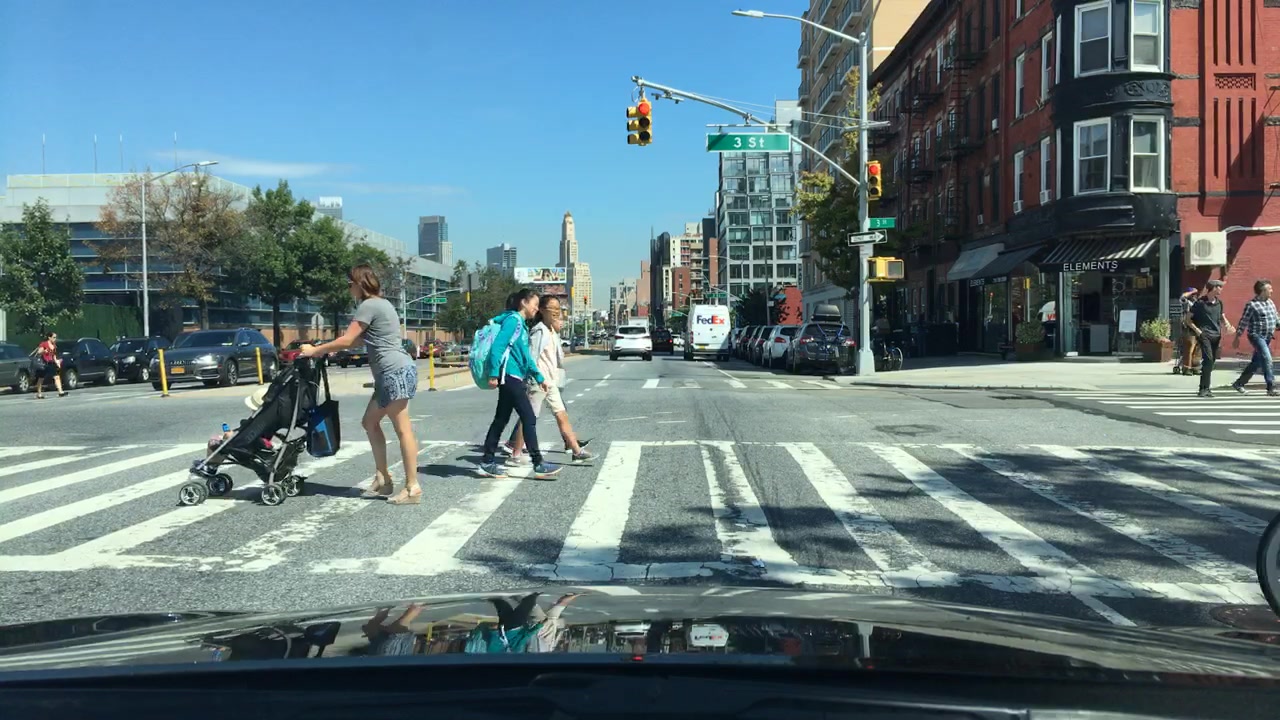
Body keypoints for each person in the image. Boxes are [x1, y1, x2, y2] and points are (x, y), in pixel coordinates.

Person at [299, 264, 421, 505]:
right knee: (369, 422)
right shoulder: (382, 304)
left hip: (393, 372)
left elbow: (347, 340)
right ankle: (383, 478)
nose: (348, 289)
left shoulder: (369, 305)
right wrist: (328, 349)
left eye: (349, 284)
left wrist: (315, 350)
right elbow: (357, 341)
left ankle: (412, 487)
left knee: (403, 429)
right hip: (393, 372)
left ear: (359, 284)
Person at [478, 288, 560, 479]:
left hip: (514, 376)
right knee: (528, 417)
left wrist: (539, 377)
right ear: (523, 302)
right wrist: (494, 373)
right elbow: (498, 346)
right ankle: (538, 462)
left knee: (501, 420)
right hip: (509, 377)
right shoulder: (513, 321)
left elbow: (525, 356)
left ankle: (487, 461)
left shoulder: (520, 325)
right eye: (535, 304)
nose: (536, 308)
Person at [506, 295, 594, 465]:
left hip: (550, 381)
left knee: (562, 414)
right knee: (529, 418)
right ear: (542, 310)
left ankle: (576, 451)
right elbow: (531, 356)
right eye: (552, 308)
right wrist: (533, 377)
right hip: (538, 382)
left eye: (558, 308)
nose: (556, 311)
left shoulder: (551, 330)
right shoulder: (539, 331)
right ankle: (515, 453)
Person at [1185, 279, 1235, 397]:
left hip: (1216, 335)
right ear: (1213, 288)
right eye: (1219, 287)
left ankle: (1206, 388)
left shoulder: (1219, 303)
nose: (1221, 289)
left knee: (1211, 362)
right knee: (1208, 359)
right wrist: (1198, 331)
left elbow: (1222, 317)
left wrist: (1228, 325)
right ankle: (1203, 389)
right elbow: (1187, 319)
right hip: (1204, 335)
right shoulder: (1200, 303)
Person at [1230, 278, 1278, 396]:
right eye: (1269, 289)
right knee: (1267, 358)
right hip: (1256, 336)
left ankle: (1239, 383)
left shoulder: (1270, 302)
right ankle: (1271, 387)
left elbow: (1276, 318)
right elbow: (1243, 321)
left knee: (1256, 362)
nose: (1272, 291)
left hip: (1267, 337)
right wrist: (1237, 337)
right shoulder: (1252, 305)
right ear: (1262, 291)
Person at [32, 331, 66, 399]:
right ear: (49, 337)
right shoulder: (44, 344)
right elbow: (39, 352)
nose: (55, 339)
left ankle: (60, 392)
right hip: (44, 364)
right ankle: (39, 393)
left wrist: (57, 362)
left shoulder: (54, 345)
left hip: (51, 363)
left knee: (56, 377)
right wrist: (44, 351)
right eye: (54, 337)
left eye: (55, 337)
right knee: (41, 379)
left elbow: (54, 355)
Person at [1178, 287, 1203, 375]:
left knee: (1198, 348)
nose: (1194, 295)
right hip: (1188, 326)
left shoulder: (1198, 302)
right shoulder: (1186, 302)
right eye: (1193, 294)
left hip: (1198, 326)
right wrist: (1192, 291)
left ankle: (1195, 367)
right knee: (1189, 347)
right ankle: (1187, 368)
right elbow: (1182, 297)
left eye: (1195, 294)